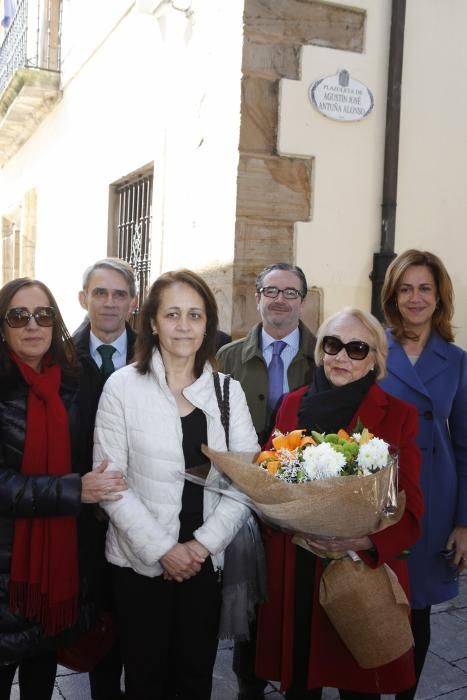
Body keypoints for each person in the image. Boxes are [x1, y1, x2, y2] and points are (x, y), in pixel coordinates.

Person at [92, 268, 260, 700]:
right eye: (172, 314)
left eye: (195, 315)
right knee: (144, 680)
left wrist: (199, 548)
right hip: (137, 564)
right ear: (151, 321)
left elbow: (246, 481)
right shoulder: (121, 388)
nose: (184, 326)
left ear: (208, 324)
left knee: (193, 679)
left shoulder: (228, 392)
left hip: (204, 563)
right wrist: (164, 551)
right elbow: (111, 483)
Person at [255, 307, 424, 699]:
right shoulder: (291, 404)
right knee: (299, 682)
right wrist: (283, 515)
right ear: (320, 351)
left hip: (358, 571)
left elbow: (412, 507)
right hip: (297, 565)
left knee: (358, 685)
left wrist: (363, 542)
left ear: (374, 361)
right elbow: (266, 475)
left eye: (357, 348)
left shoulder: (399, 416)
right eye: (333, 345)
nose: (342, 357)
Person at [0, 278, 127, 700]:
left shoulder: (75, 382)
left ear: (56, 322)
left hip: (60, 562)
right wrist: (74, 490)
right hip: (8, 567)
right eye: (19, 316)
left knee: (41, 675)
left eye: (43, 315)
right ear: (3, 326)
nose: (32, 325)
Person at [217, 262, 316, 700]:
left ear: (303, 300)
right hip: (244, 498)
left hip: (308, 501)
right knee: (249, 599)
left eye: (290, 292)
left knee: (301, 599)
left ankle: (302, 681)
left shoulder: (326, 355)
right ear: (256, 297)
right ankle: (248, 685)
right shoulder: (227, 358)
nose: (279, 300)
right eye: (270, 290)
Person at [379, 249, 467, 700]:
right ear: (393, 294)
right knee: (374, 604)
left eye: (425, 288)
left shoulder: (456, 360)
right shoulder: (372, 348)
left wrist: (463, 522)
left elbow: (465, 445)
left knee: (418, 613)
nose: (415, 298)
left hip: (434, 499)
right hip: (380, 497)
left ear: (439, 296)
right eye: (406, 288)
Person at [73, 257, 138, 700]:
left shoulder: (159, 353)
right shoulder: (60, 356)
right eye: (100, 293)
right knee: (95, 624)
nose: (109, 303)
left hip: (145, 511)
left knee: (141, 628)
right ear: (83, 299)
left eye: (119, 294)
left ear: (133, 303)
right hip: (83, 514)